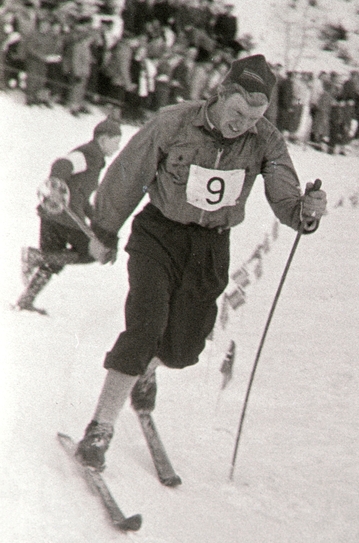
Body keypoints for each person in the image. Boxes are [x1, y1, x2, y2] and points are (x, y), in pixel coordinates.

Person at [71, 54, 327, 470]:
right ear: (221, 95)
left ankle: (149, 369)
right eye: (238, 111)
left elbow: (286, 196)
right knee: (145, 326)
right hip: (160, 234)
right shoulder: (174, 122)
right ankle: (100, 428)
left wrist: (306, 211)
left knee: (183, 348)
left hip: (210, 248)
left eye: (255, 115)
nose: (243, 123)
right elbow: (127, 173)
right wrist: (104, 230)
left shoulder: (265, 140)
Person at [16, 117, 123, 313]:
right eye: (116, 142)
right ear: (103, 139)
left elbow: (80, 195)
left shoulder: (95, 158)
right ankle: (35, 256)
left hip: (52, 214)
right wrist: (56, 186)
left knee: (53, 259)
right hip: (65, 217)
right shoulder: (90, 153)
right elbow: (62, 164)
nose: (117, 148)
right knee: (91, 253)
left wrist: (94, 216)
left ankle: (25, 300)